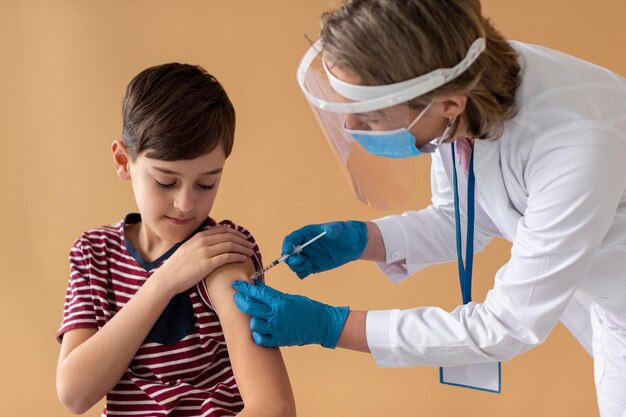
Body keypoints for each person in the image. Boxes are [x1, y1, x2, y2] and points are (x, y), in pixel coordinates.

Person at [231, 1, 626, 416]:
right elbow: (462, 219)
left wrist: (329, 326)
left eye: (371, 118)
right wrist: (366, 240)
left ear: (449, 104)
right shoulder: (457, 84)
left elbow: (504, 325)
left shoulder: (574, 145)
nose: (351, 129)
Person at [56, 63, 296, 417]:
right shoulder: (95, 254)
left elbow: (274, 408)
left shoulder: (222, 253)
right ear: (124, 161)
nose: (186, 204)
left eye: (206, 184)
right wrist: (165, 281)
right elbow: (74, 394)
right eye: (166, 182)